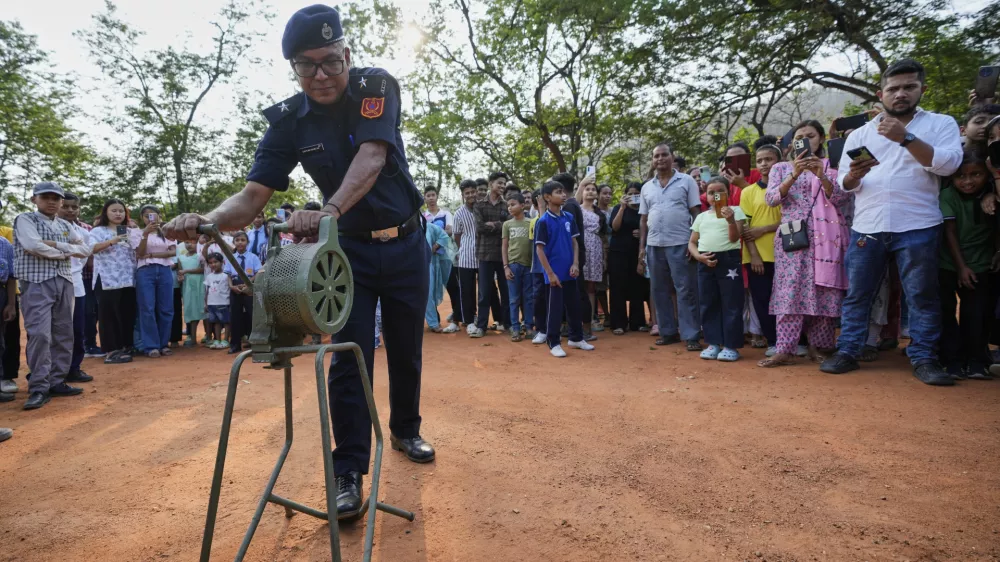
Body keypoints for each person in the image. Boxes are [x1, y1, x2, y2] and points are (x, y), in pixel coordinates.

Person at [164, 5, 434, 520]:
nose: (322, 75)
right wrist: (209, 219)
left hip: (405, 242)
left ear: (347, 55)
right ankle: (348, 471)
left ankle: (405, 429)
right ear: (293, 68)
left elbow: (373, 157)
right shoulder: (289, 121)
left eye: (331, 61)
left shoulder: (376, 86)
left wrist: (326, 210)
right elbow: (252, 195)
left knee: (406, 346)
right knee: (348, 355)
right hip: (345, 253)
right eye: (306, 66)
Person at [821, 59, 964, 386]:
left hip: (918, 224)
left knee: (922, 295)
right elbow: (844, 181)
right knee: (858, 293)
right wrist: (853, 177)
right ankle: (848, 350)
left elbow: (949, 165)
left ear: (921, 89)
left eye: (908, 87)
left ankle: (924, 357)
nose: (900, 94)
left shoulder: (940, 124)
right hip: (867, 226)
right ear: (880, 93)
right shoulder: (859, 134)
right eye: (893, 88)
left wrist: (905, 138)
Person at [760, 120, 851, 368]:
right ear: (792, 143)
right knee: (790, 291)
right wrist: (795, 173)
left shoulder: (832, 165)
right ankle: (785, 349)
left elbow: (841, 199)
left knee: (824, 289)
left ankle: (819, 345)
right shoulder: (780, 168)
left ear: (820, 139)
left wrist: (821, 174)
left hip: (827, 237)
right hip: (793, 235)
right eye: (799, 136)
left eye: (810, 135)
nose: (805, 140)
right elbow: (771, 199)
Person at [15, 182, 92, 410]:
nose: (52, 202)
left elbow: (86, 249)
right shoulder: (26, 219)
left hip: (65, 283)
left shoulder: (65, 225)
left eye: (56, 198)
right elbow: (32, 246)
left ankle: (57, 381)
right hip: (36, 282)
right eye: (46, 197)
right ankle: (39, 386)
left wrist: (54, 245)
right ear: (34, 199)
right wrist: (65, 251)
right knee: (39, 334)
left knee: (63, 333)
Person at [937, 148, 995, 379]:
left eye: (976, 175)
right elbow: (949, 232)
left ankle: (976, 360)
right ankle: (952, 360)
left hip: (981, 263)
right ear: (952, 177)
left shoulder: (993, 193)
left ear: (987, 175)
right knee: (946, 312)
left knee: (976, 314)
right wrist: (962, 267)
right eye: (961, 176)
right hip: (949, 263)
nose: (968, 181)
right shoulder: (948, 196)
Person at [638, 143, 702, 350]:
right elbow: (643, 219)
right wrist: (642, 248)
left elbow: (696, 212)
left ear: (672, 157)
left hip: (681, 242)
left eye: (664, 155)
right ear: (653, 160)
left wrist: (696, 241)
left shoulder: (686, 181)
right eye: (656, 156)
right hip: (654, 245)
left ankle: (691, 335)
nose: (660, 159)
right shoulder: (647, 186)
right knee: (659, 290)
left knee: (685, 289)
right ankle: (668, 332)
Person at [535, 180, 595, 357]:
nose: (563, 195)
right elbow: (539, 249)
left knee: (574, 305)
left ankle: (576, 338)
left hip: (570, 272)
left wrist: (576, 263)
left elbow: (575, 242)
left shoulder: (568, 217)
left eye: (563, 192)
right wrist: (550, 273)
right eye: (558, 192)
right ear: (547, 197)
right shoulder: (543, 222)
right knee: (555, 309)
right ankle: (553, 342)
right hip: (554, 275)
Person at [689, 177, 746, 361]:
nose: (715, 195)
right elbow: (691, 242)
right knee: (708, 302)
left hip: (729, 260)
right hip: (706, 260)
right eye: (711, 192)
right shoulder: (701, 216)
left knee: (731, 303)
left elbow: (733, 238)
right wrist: (698, 256)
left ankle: (731, 345)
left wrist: (730, 220)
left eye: (720, 191)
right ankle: (713, 343)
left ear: (728, 193)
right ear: (706, 195)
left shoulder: (736, 211)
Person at [740, 139, 783, 355]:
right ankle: (773, 342)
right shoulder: (748, 192)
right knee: (762, 300)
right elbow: (745, 227)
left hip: (786, 253)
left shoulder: (789, 187)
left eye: (769, 159)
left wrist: (765, 228)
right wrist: (754, 255)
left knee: (787, 300)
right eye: (760, 161)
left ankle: (796, 341)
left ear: (780, 162)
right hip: (757, 256)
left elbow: (793, 219)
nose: (764, 164)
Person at [89, 199, 138, 364]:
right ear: (106, 213)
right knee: (108, 315)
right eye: (114, 211)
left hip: (127, 278)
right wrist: (113, 240)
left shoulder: (128, 231)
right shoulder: (98, 231)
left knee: (126, 314)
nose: (118, 214)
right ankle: (111, 350)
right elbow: (92, 248)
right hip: (107, 278)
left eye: (121, 211)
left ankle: (126, 346)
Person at [58, 193, 95, 384]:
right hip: (54, 285)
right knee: (55, 331)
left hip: (77, 284)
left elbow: (86, 253)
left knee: (77, 329)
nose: (71, 210)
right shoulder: (46, 228)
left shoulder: (84, 232)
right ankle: (51, 372)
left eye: (75, 207)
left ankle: (74, 368)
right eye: (66, 206)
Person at [470, 171, 512, 337]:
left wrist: (493, 225)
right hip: (484, 254)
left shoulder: (506, 205)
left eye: (504, 183)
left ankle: (508, 324)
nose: (502, 186)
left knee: (506, 292)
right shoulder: (479, 205)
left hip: (504, 257)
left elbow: (509, 225)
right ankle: (481, 326)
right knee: (484, 293)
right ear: (491, 184)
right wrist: (499, 225)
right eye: (499, 183)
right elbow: (479, 227)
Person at [132, 205, 176, 358]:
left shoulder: (166, 232)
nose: (150, 218)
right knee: (147, 308)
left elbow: (173, 251)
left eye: (153, 214)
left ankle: (164, 344)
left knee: (166, 308)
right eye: (146, 216)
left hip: (165, 270)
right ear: (142, 219)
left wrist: (152, 255)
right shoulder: (136, 233)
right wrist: (145, 234)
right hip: (145, 271)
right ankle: (151, 346)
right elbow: (140, 253)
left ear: (158, 216)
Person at [609, 182, 647, 334]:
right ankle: (618, 323)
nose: (633, 196)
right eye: (630, 193)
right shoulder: (619, 208)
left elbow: (649, 227)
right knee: (617, 287)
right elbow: (615, 227)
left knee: (638, 286)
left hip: (636, 253)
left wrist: (642, 233)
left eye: (636, 193)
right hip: (618, 253)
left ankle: (637, 322)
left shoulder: (644, 210)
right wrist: (623, 207)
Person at [422, 185, 460, 333]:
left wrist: (435, 241)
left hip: (445, 257)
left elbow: (450, 231)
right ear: (425, 198)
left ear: (437, 197)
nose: (431, 198)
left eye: (433, 195)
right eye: (428, 195)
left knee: (453, 287)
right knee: (429, 289)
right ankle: (434, 321)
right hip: (429, 259)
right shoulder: (423, 217)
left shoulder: (445, 213)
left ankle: (457, 318)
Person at [502, 192, 533, 341]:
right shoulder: (507, 224)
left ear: (522, 205)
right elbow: (504, 246)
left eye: (513, 204)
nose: (510, 207)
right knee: (514, 298)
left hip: (529, 266)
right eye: (508, 205)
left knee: (528, 298)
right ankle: (515, 328)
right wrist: (506, 266)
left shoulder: (531, 223)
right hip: (513, 266)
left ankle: (529, 327)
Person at [224, 231, 262, 354]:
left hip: (249, 288)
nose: (240, 242)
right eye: (237, 240)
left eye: (243, 240)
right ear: (234, 242)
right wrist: (231, 286)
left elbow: (258, 273)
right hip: (235, 287)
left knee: (252, 315)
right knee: (235, 316)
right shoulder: (230, 258)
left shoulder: (253, 257)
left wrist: (248, 284)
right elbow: (228, 274)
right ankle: (235, 344)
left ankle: (253, 344)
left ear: (247, 242)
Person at [453, 180, 480, 330]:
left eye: (472, 192)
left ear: (477, 192)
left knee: (485, 290)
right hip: (466, 257)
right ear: (463, 195)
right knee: (467, 290)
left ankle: (481, 319)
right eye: (467, 193)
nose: (470, 195)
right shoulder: (458, 213)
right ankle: (469, 321)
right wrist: (463, 248)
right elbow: (457, 235)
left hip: (483, 255)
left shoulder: (482, 208)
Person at [580, 182, 605, 334]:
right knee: (578, 283)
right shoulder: (576, 209)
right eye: (587, 189)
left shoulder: (600, 213)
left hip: (595, 248)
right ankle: (577, 318)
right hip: (581, 246)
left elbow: (603, 234)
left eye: (593, 189)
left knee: (591, 286)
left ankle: (589, 319)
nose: (590, 192)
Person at [424, 221, 456, 332]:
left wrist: (435, 246)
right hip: (408, 266)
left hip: (427, 264)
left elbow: (444, 236)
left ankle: (433, 323)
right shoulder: (404, 227)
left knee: (428, 294)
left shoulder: (428, 226)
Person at [529, 189, 549, 344]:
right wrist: (542, 208)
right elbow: (544, 230)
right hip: (538, 268)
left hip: (555, 266)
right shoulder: (536, 221)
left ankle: (553, 329)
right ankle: (541, 330)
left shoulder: (559, 218)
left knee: (553, 299)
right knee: (539, 299)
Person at [177, 240, 206, 346]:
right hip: (188, 287)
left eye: (192, 242)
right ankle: (193, 338)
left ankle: (208, 336)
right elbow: (180, 273)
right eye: (187, 242)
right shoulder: (180, 258)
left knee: (204, 310)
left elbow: (203, 269)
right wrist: (180, 277)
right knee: (191, 310)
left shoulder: (200, 256)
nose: (189, 245)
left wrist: (186, 271)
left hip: (200, 284)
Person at [0, 224, 17, 396]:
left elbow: (11, 276)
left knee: (1, 343)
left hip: (2, 294)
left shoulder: (4, 243)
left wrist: (11, 303)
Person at [203, 253, 231, 349]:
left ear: (222, 262)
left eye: (215, 262)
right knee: (216, 322)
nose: (213, 264)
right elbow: (207, 291)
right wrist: (206, 303)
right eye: (210, 263)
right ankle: (217, 340)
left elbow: (230, 289)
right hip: (212, 303)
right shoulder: (209, 276)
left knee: (226, 322)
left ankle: (226, 340)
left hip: (224, 302)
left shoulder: (226, 275)